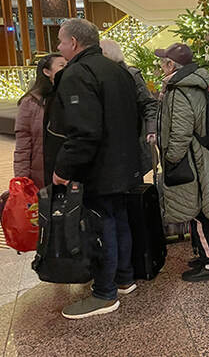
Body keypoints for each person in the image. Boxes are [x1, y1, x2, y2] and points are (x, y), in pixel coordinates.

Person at [43, 19, 141, 319]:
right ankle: (124, 278)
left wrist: (63, 168)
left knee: (101, 225)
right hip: (124, 162)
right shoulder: (117, 70)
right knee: (119, 218)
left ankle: (104, 293)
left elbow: (84, 131)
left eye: (61, 41)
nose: (58, 47)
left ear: (74, 42)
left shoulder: (78, 73)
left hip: (100, 167)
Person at [155, 43, 209, 281]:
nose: (161, 66)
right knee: (202, 208)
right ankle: (205, 254)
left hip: (194, 159)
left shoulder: (180, 90)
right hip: (207, 155)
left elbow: (180, 132)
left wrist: (171, 158)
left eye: (163, 62)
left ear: (171, 65)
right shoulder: (199, 82)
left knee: (200, 211)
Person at [99, 39, 158, 176]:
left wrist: (151, 130)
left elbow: (148, 103)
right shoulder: (101, 76)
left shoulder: (131, 75)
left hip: (132, 144)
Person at [14, 54, 66, 190]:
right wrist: (21, 179)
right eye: (62, 65)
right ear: (46, 71)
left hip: (68, 172)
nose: (67, 69)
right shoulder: (30, 102)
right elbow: (23, 146)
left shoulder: (72, 98)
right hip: (41, 177)